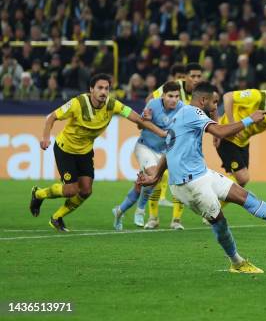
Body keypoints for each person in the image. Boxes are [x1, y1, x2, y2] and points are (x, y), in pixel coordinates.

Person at [137, 82, 266, 273]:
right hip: (189, 184)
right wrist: (249, 120)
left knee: (245, 196)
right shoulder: (193, 113)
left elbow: (169, 150)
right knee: (220, 222)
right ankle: (236, 262)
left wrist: (155, 177)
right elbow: (219, 131)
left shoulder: (180, 115)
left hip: (202, 174)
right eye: (214, 102)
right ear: (203, 100)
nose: (215, 107)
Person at [29, 74, 167, 231]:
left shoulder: (112, 104)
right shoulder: (78, 103)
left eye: (106, 88)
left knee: (86, 190)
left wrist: (162, 133)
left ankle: (56, 218)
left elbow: (138, 120)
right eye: (100, 88)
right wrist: (46, 138)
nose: (103, 92)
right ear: (91, 90)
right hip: (65, 149)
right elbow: (51, 117)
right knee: (71, 190)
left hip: (85, 152)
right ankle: (38, 194)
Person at [111, 81, 183, 230]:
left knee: (140, 186)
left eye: (177, 96)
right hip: (145, 147)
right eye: (170, 96)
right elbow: (139, 124)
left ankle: (119, 211)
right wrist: (145, 119)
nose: (174, 99)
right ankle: (141, 210)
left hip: (164, 152)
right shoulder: (153, 104)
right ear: (163, 95)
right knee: (154, 176)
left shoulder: (182, 108)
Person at [145, 62, 203, 230]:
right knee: (157, 177)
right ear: (185, 77)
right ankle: (153, 218)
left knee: (181, 180)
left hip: (183, 144)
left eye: (199, 76)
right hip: (162, 141)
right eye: (193, 76)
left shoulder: (201, 94)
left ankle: (176, 220)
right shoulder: (173, 89)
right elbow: (150, 101)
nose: (196, 79)